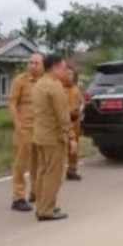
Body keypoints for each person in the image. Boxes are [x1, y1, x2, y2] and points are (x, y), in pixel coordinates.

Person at [32, 54, 78, 221]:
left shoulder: (39, 84)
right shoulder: (54, 86)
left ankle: (42, 205)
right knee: (54, 174)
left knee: (43, 172)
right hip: (53, 136)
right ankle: (46, 210)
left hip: (40, 135)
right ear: (56, 67)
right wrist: (72, 136)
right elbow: (62, 115)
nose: (66, 72)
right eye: (64, 68)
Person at [8, 53, 44, 212]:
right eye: (30, 62)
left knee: (38, 162)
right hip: (25, 128)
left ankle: (35, 192)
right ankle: (18, 197)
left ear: (43, 65)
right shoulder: (20, 81)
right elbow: (12, 103)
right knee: (21, 163)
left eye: (36, 63)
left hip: (41, 128)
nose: (33, 65)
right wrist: (18, 124)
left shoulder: (46, 81)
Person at [63, 65, 85, 181]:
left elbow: (82, 102)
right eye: (67, 74)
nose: (70, 76)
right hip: (63, 122)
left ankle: (72, 169)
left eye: (71, 74)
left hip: (75, 121)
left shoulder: (76, 88)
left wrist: (79, 111)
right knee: (62, 146)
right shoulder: (59, 88)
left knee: (74, 146)